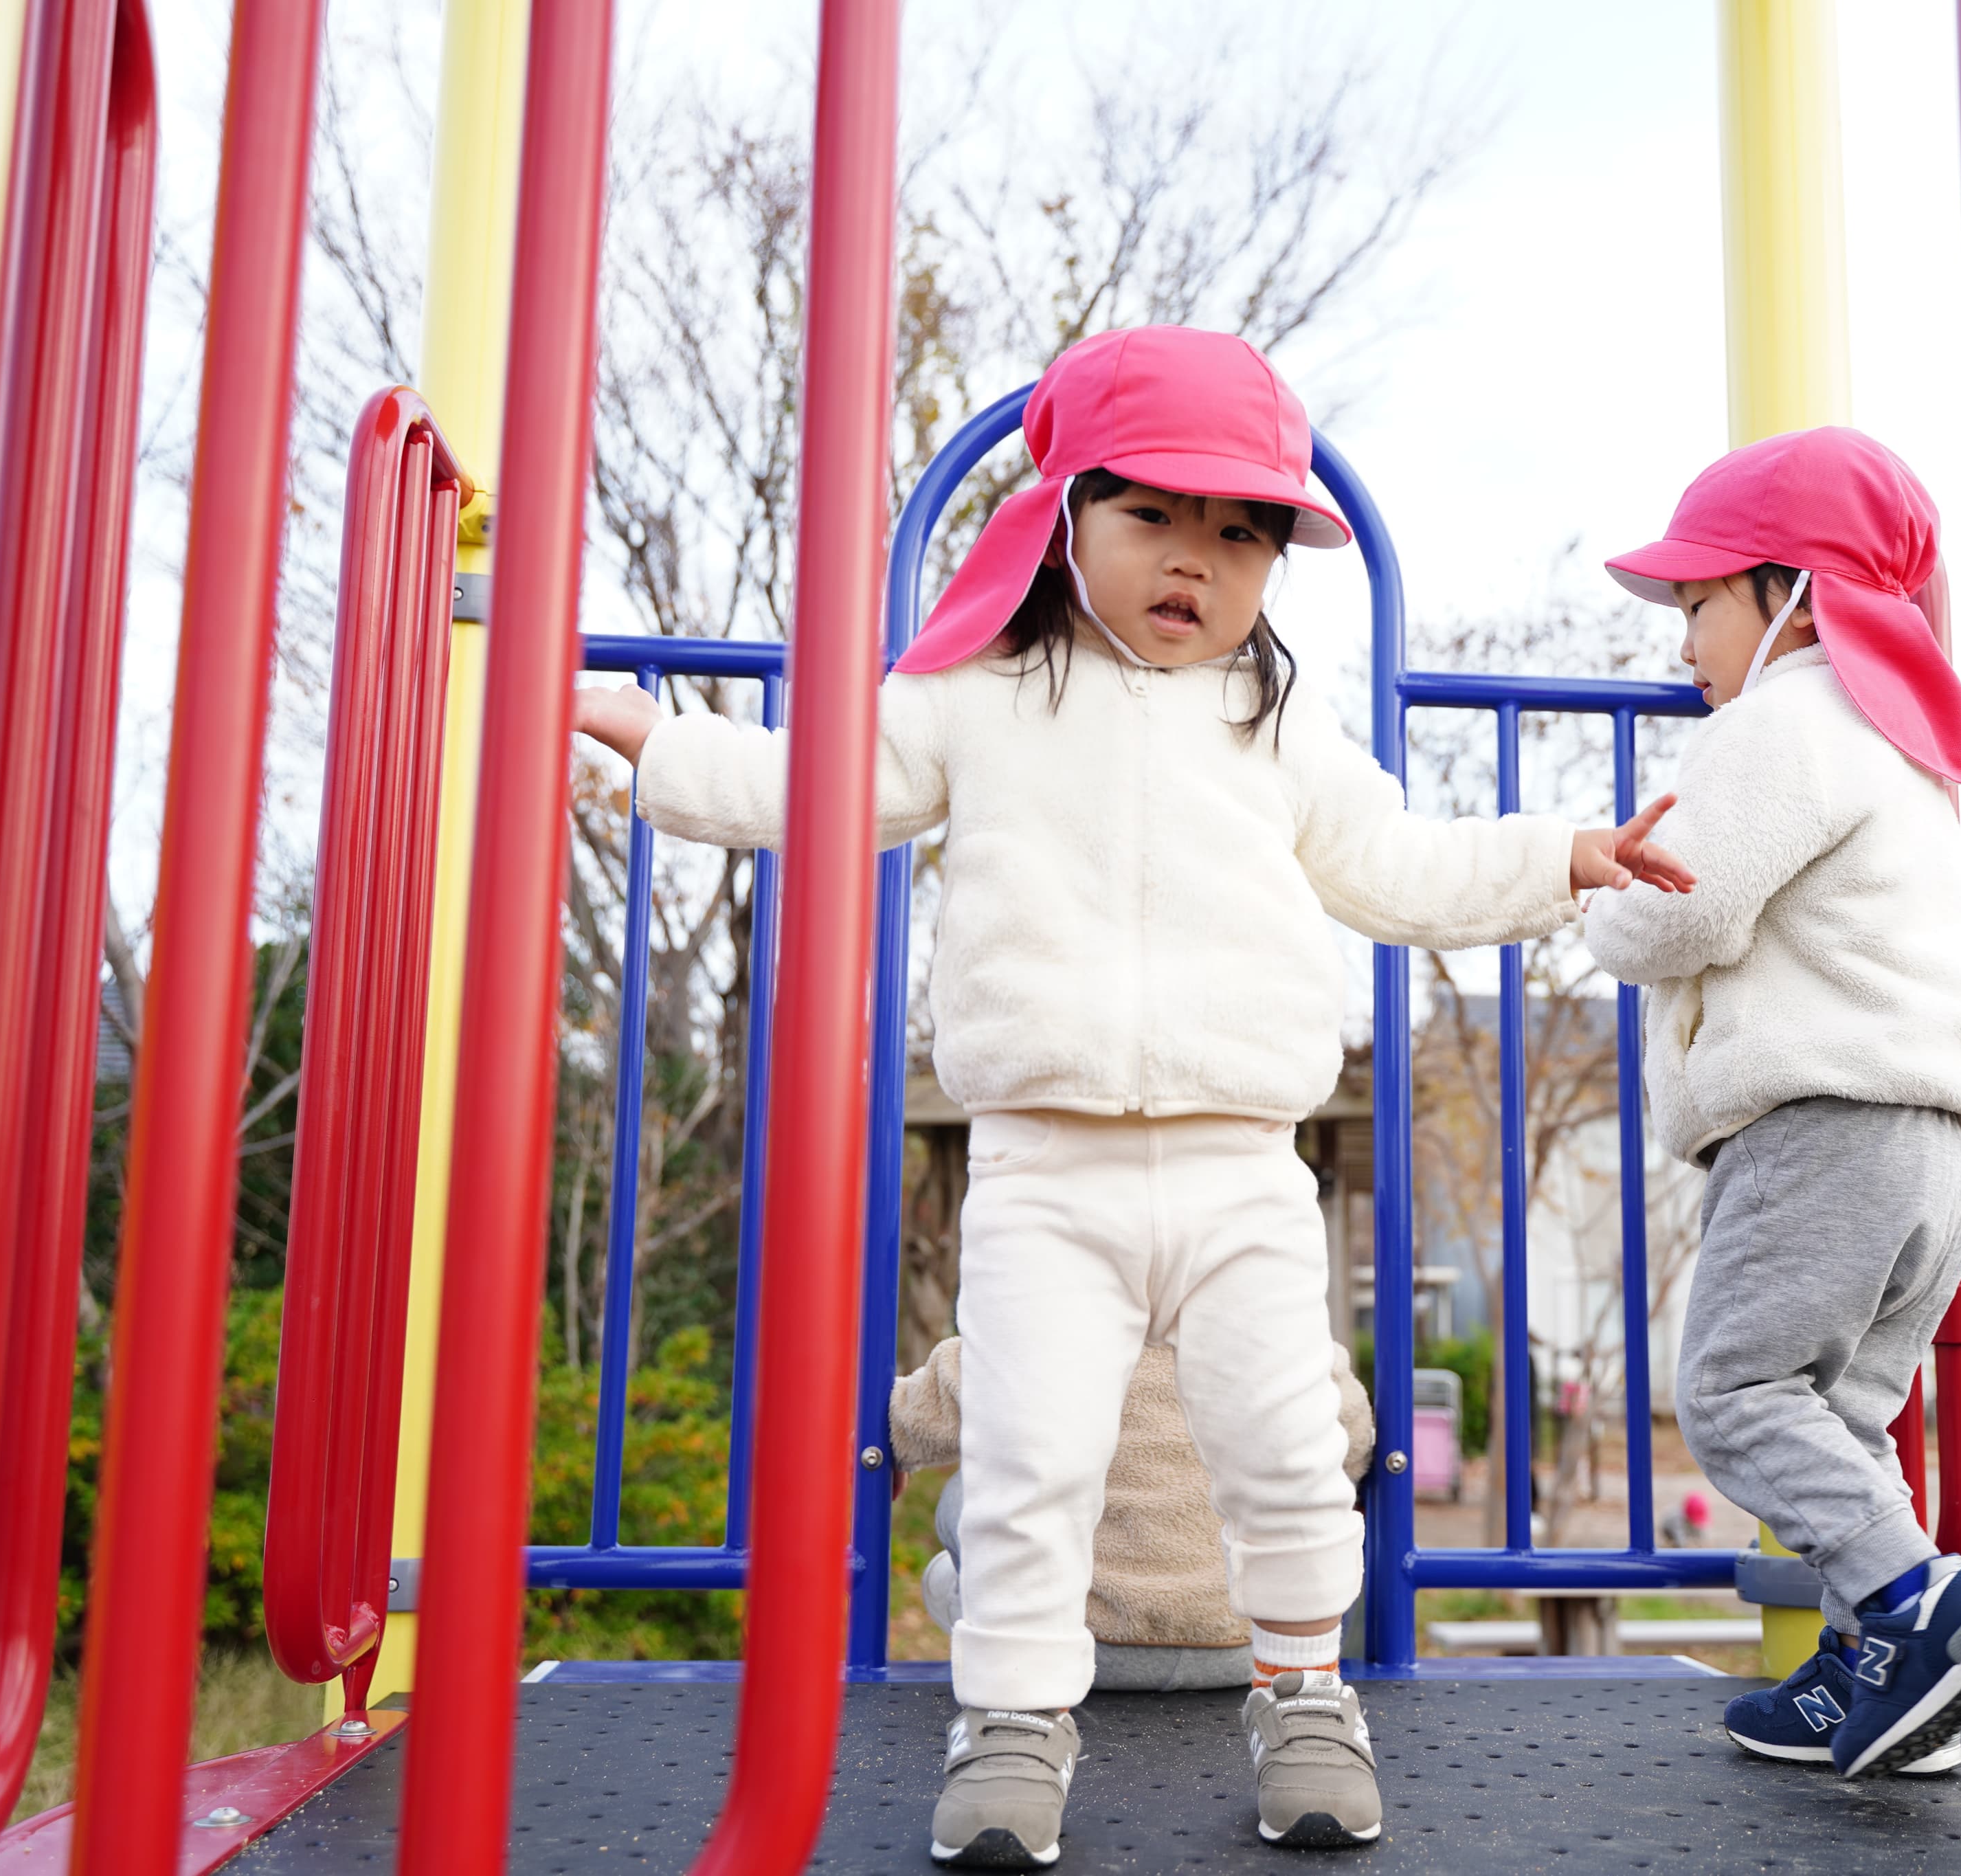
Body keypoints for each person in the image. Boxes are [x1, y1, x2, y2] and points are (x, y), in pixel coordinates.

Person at [573, 324, 1688, 1867]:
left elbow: (1393, 862)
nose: (1193, 561)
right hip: (1047, 1169)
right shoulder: (980, 689)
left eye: (1238, 536)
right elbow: (816, 783)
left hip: (1243, 1165)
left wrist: (1561, 856)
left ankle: (1304, 1697)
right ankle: (1014, 1721)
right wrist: (651, 740)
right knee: (1032, 1463)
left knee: (1288, 1450)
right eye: (1152, 516)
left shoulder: (1274, 718)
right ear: (1064, 519)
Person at [1580, 426, 1961, 1781]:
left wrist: (1598, 903)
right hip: (1930, 1148)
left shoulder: (1782, 721)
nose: (1683, 646)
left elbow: (1678, 907)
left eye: (1697, 603)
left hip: (1820, 1127)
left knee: (1732, 1391)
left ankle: (1921, 1609)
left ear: (1795, 600)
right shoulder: (1903, 754)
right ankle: (1874, 1676)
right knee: (1840, 1416)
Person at [890, 1337, 1374, 1692]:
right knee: (1318, 1503)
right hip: (1258, 1649)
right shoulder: (1286, 1338)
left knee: (970, 1493)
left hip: (1075, 1648)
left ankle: (998, 1623)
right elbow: (1356, 1450)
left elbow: (906, 1423)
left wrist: (892, 1452)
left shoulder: (1028, 1325)